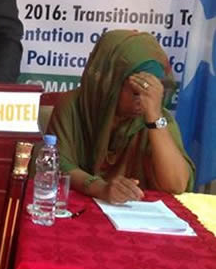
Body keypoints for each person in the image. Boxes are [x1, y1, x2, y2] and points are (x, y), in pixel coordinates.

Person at [47, 29, 195, 204]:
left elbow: (176, 185)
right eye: (136, 92)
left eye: (151, 92)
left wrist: (155, 119)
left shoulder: (155, 115)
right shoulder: (74, 105)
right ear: (109, 83)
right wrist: (100, 188)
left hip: (137, 213)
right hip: (78, 208)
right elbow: (57, 165)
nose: (143, 101)